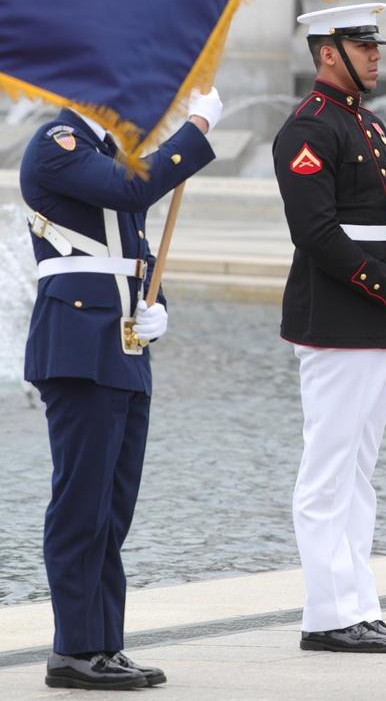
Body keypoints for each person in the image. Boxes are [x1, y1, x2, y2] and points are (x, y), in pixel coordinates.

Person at [20, 88, 224, 690]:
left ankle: (104, 645)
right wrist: (198, 125)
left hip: (123, 347)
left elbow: (128, 254)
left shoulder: (107, 151)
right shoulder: (56, 146)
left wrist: (157, 304)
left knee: (112, 510)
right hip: (79, 349)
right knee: (81, 504)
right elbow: (131, 191)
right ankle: (72, 650)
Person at [273, 2, 386, 653]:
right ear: (327, 52)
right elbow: (316, 234)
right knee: (327, 474)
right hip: (341, 316)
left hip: (376, 318)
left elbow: (383, 221)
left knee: (359, 475)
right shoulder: (309, 129)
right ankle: (326, 615)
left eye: (376, 45)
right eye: (361, 45)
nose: (375, 55)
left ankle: (358, 605)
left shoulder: (365, 126)